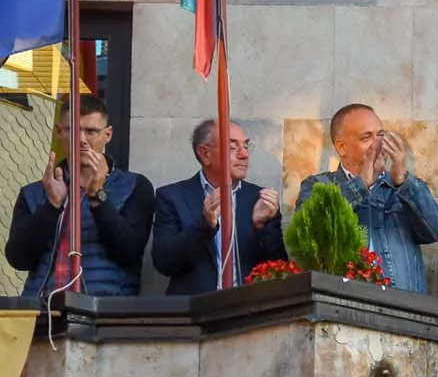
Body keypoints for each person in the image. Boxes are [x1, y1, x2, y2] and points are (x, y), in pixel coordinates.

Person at [4, 96, 155, 298]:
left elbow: (129, 253)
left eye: (91, 131)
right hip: (42, 306)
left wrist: (98, 197)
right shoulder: (34, 192)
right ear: (59, 132)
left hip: (103, 308)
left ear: (108, 134)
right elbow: (18, 259)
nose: (82, 140)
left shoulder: (134, 186)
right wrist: (51, 206)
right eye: (73, 130)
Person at [296, 103, 438, 294]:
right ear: (342, 147)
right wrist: (360, 185)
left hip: (402, 308)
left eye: (380, 135)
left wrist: (403, 182)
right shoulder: (319, 185)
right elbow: (306, 236)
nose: (378, 144)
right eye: (366, 137)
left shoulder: (404, 186)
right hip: (342, 307)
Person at [152, 120, 287, 295]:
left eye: (246, 146)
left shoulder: (260, 199)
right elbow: (164, 263)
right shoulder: (173, 197)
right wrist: (205, 226)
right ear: (205, 154)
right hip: (195, 306)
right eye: (232, 147)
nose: (244, 154)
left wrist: (261, 227)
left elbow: (280, 268)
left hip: (248, 304)